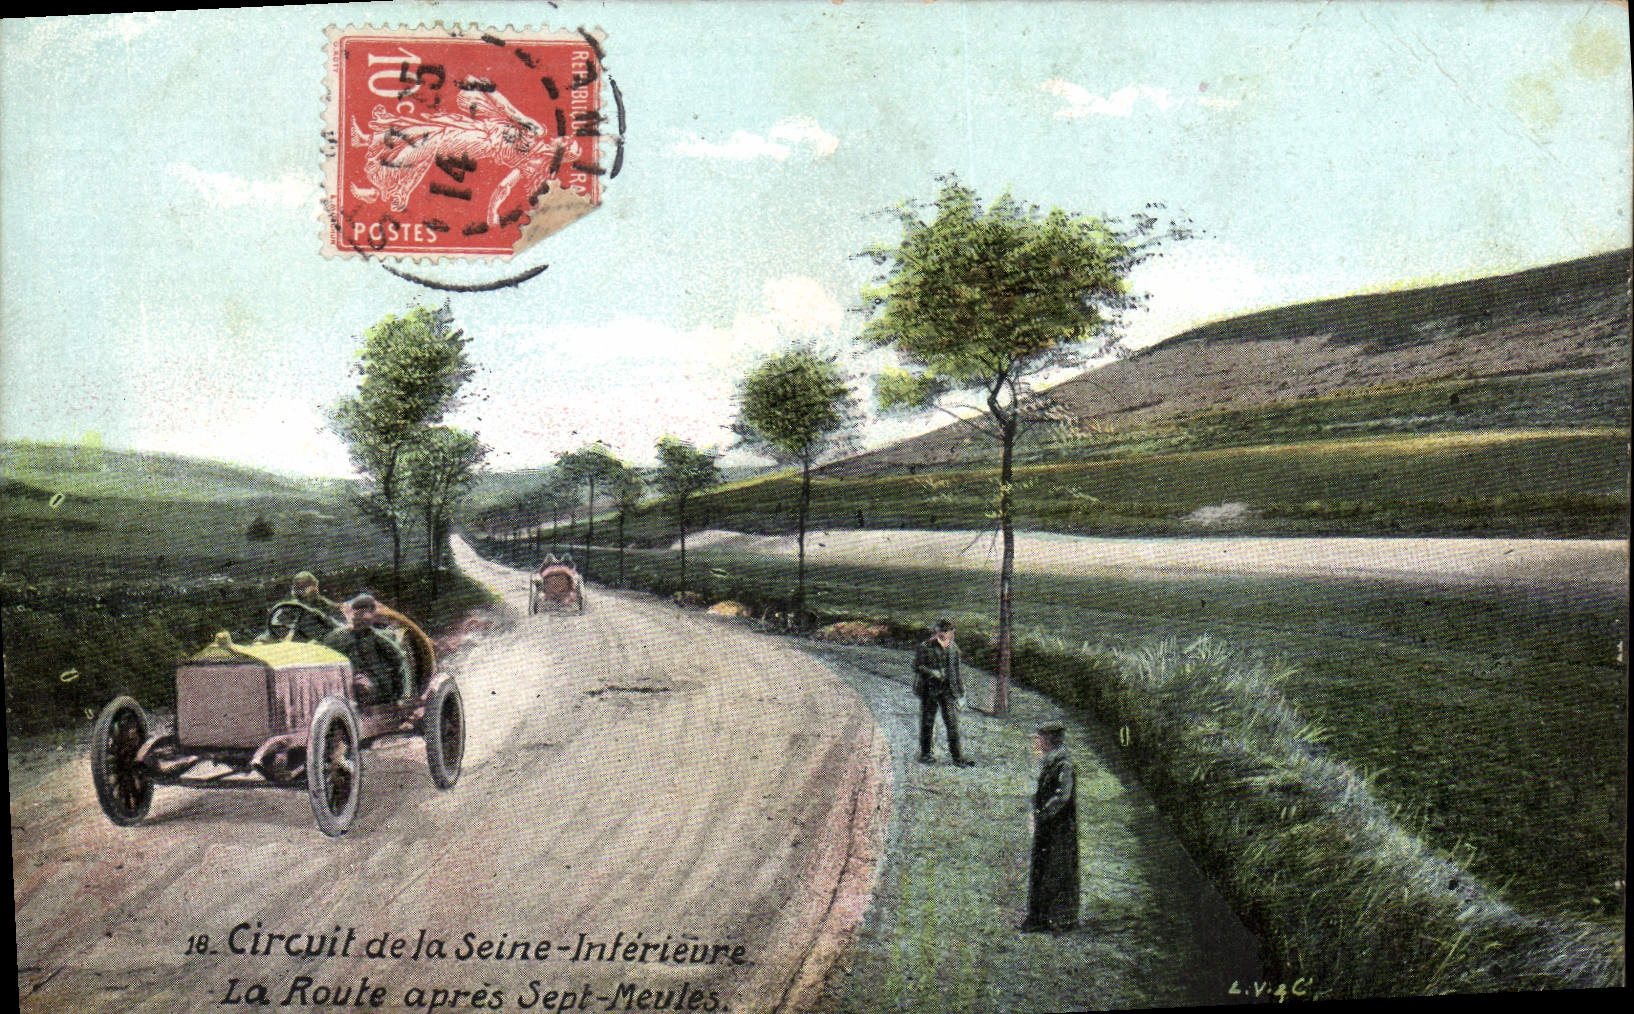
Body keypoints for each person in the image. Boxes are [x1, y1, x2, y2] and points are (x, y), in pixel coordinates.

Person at [1021, 721, 1079, 934]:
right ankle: (1039, 916)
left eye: (1042, 738)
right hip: (1047, 824)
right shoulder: (1051, 761)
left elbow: (1062, 796)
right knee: (1041, 867)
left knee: (1057, 869)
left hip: (1059, 827)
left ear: (1051, 740)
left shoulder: (1064, 764)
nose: (1038, 742)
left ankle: (1058, 918)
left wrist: (1043, 812)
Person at [323, 594, 406, 704]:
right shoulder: (339, 636)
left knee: (362, 687)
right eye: (357, 614)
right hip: (345, 680)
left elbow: (398, 659)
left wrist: (397, 695)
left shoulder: (382, 637)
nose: (360, 618)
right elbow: (326, 651)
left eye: (365, 614)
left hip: (373, 684)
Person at [912, 619, 974, 767]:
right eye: (943, 632)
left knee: (952, 724)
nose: (947, 634)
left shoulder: (954, 648)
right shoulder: (925, 647)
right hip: (929, 689)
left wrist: (961, 694)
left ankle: (958, 758)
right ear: (937, 632)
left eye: (950, 632)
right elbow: (916, 666)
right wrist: (932, 672)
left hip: (947, 690)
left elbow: (956, 673)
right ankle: (926, 754)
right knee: (928, 722)